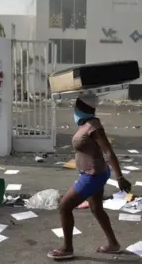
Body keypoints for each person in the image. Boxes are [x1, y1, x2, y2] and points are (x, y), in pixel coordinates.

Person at [47, 94, 132, 260]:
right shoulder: (85, 125)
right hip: (92, 172)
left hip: (93, 175)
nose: (74, 109)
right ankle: (113, 245)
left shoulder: (94, 126)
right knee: (96, 209)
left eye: (76, 105)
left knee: (64, 207)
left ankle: (67, 248)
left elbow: (108, 152)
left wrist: (120, 177)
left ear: (81, 108)